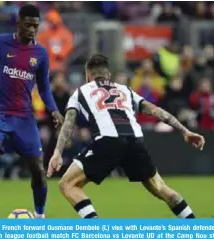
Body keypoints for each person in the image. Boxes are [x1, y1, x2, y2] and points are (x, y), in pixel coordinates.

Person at [47, 54, 205, 219]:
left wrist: (57, 153)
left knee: (67, 185)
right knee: (160, 187)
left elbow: (68, 124)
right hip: (135, 139)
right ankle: (193, 226)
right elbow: (156, 111)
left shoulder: (80, 92)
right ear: (108, 75)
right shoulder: (125, 90)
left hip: (108, 140)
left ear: (88, 76)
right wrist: (184, 131)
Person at [0, 4, 64, 219]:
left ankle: (40, 215)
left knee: (37, 168)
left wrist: (54, 110)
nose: (32, 30)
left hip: (24, 117)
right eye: (28, 25)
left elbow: (44, 88)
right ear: (18, 23)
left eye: (35, 26)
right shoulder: (0, 43)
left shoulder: (41, 53)